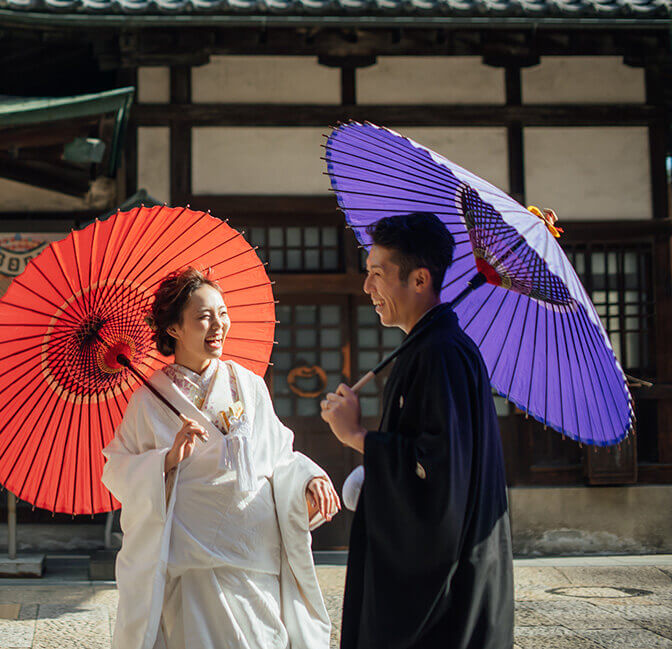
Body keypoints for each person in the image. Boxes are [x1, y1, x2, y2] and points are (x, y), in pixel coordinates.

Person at [102, 267, 340, 649]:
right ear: (174, 329)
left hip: (253, 556)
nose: (218, 325)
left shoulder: (249, 384)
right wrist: (166, 459)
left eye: (222, 313)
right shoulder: (148, 401)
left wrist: (309, 477)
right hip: (194, 564)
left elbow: (279, 456)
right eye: (203, 317)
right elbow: (117, 469)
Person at [320, 212, 514, 649]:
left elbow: (440, 471)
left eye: (377, 275)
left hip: (445, 595)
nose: (367, 288)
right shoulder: (427, 348)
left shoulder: (440, 353)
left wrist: (359, 438)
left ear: (420, 279)